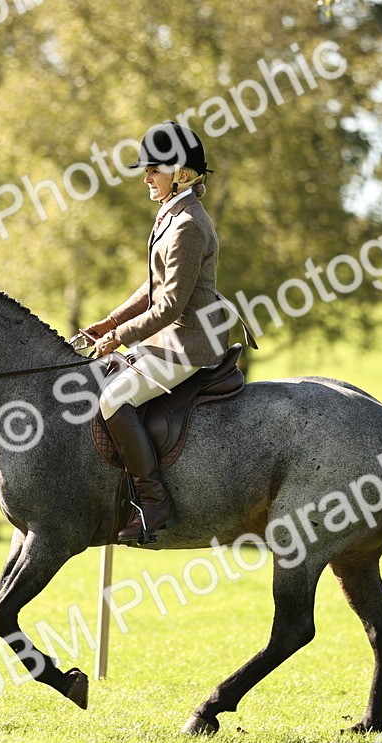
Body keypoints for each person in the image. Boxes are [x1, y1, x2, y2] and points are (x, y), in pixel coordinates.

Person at [80, 121, 230, 545]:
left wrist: (121, 336)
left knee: (113, 398)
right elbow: (152, 285)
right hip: (168, 339)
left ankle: (154, 501)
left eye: (153, 170)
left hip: (188, 344)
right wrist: (111, 321)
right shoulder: (172, 213)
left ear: (181, 173)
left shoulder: (188, 225)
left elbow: (170, 305)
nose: (145, 178)